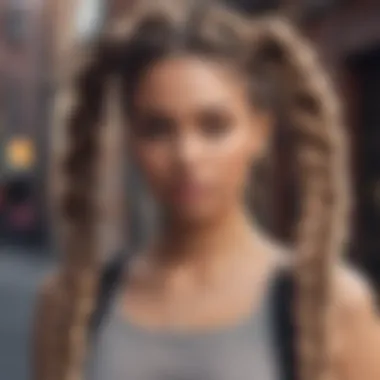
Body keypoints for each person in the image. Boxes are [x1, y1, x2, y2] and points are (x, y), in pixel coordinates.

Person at [33, 1, 380, 380]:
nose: (187, 156)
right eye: (158, 128)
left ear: (259, 132)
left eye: (214, 126)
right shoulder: (69, 307)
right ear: (132, 139)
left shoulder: (333, 306)